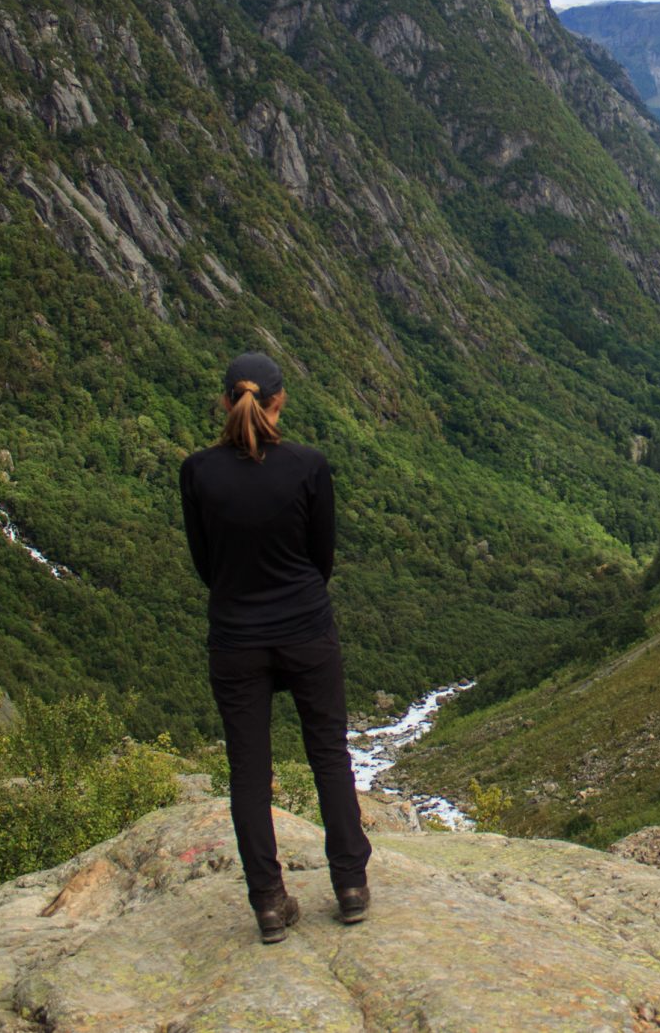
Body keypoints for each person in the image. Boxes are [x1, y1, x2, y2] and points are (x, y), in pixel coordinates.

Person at [180, 351, 371, 943]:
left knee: (248, 772)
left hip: (236, 638)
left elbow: (204, 563)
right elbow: (323, 559)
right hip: (307, 630)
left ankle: (268, 901)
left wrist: (242, 594)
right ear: (279, 399)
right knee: (329, 755)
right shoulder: (309, 467)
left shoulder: (198, 472)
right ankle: (349, 886)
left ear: (224, 401)